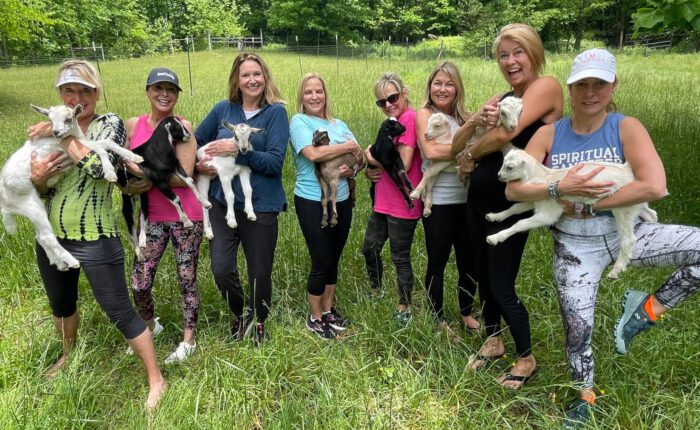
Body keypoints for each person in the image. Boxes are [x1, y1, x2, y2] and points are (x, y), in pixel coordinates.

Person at [505, 48, 699, 427]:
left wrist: (593, 204)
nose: (590, 92)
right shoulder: (549, 133)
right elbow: (513, 192)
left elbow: (655, 186)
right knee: (578, 328)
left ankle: (646, 310)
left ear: (613, 86)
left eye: (600, 83)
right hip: (575, 245)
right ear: (571, 88)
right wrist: (561, 187)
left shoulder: (626, 127)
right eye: (582, 84)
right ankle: (585, 397)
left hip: (632, 232)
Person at [28, 59, 166, 409]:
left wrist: (61, 132)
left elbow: (96, 168)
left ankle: (156, 378)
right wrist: (40, 179)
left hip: (96, 234)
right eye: (69, 90)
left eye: (85, 91)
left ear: (95, 93)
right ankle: (68, 355)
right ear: (60, 95)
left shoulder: (109, 125)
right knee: (62, 304)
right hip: (52, 235)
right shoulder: (54, 130)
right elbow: (44, 189)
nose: (78, 97)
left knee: (118, 308)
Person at [451, 23, 563, 388]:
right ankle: (493, 338)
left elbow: (506, 134)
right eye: (503, 54)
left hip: (509, 206)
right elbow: (472, 138)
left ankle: (526, 357)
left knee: (501, 284)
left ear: (534, 54)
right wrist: (473, 129)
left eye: (518, 52)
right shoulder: (503, 95)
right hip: (478, 202)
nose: (511, 61)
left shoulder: (544, 87)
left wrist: (469, 153)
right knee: (482, 275)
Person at [195, 52, 289, 345]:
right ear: (237, 79)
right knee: (221, 269)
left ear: (265, 77)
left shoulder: (275, 113)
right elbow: (195, 141)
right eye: (245, 75)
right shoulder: (224, 109)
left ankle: (259, 323)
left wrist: (238, 149)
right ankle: (238, 313)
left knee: (259, 271)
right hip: (222, 203)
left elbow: (275, 163)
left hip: (261, 204)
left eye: (257, 74)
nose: (252, 80)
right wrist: (197, 165)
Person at [122, 67, 203, 363]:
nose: (164, 94)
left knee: (186, 279)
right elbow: (120, 159)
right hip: (150, 218)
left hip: (186, 216)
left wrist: (143, 172)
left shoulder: (183, 126)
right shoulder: (133, 125)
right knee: (140, 282)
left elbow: (185, 175)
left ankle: (188, 341)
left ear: (177, 95)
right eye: (158, 88)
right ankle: (150, 325)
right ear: (147, 91)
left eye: (171, 89)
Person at [290, 73, 362, 339]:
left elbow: (360, 157)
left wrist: (352, 169)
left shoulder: (339, 123)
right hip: (311, 200)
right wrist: (346, 146)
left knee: (334, 257)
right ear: (302, 96)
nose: (314, 96)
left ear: (325, 94)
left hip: (342, 200)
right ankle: (315, 316)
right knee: (320, 258)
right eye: (308, 92)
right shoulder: (299, 122)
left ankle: (329, 309)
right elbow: (313, 154)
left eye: (318, 91)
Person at [414, 62, 481, 333]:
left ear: (457, 88)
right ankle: (437, 317)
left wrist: (470, 148)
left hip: (467, 200)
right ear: (430, 86)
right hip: (438, 201)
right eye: (438, 83)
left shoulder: (465, 118)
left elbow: (484, 146)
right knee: (438, 260)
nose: (442, 89)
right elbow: (430, 152)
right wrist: (469, 149)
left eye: (449, 83)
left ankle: (466, 311)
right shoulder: (425, 114)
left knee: (469, 260)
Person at [362, 72, 422, 325]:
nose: (388, 104)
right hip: (383, 199)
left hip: (403, 202)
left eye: (393, 97)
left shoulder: (410, 119)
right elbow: (383, 157)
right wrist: (369, 168)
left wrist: (369, 156)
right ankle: (376, 290)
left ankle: (404, 304)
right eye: (382, 102)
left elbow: (404, 164)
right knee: (370, 248)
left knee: (400, 256)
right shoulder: (393, 120)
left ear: (404, 93)